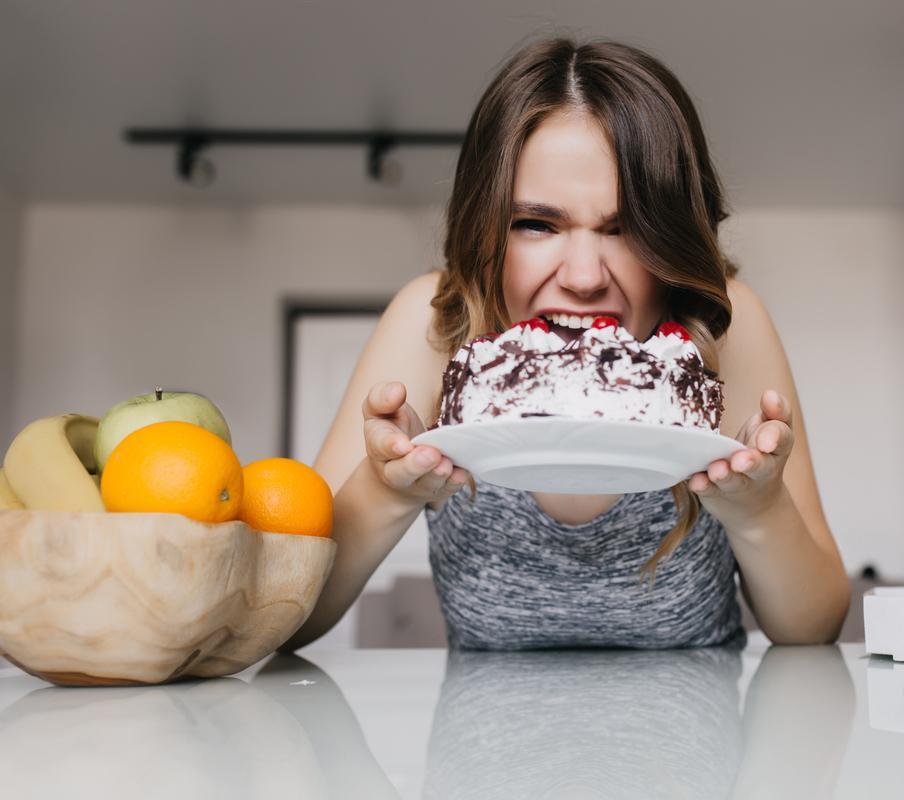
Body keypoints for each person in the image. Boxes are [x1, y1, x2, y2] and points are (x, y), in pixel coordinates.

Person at [282, 38, 849, 652]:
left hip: (705, 745)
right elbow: (291, 618)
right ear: (485, 228)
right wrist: (386, 491)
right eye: (536, 224)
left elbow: (815, 627)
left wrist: (761, 512)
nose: (583, 277)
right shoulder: (436, 324)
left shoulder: (725, 330)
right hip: (482, 743)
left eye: (625, 229)